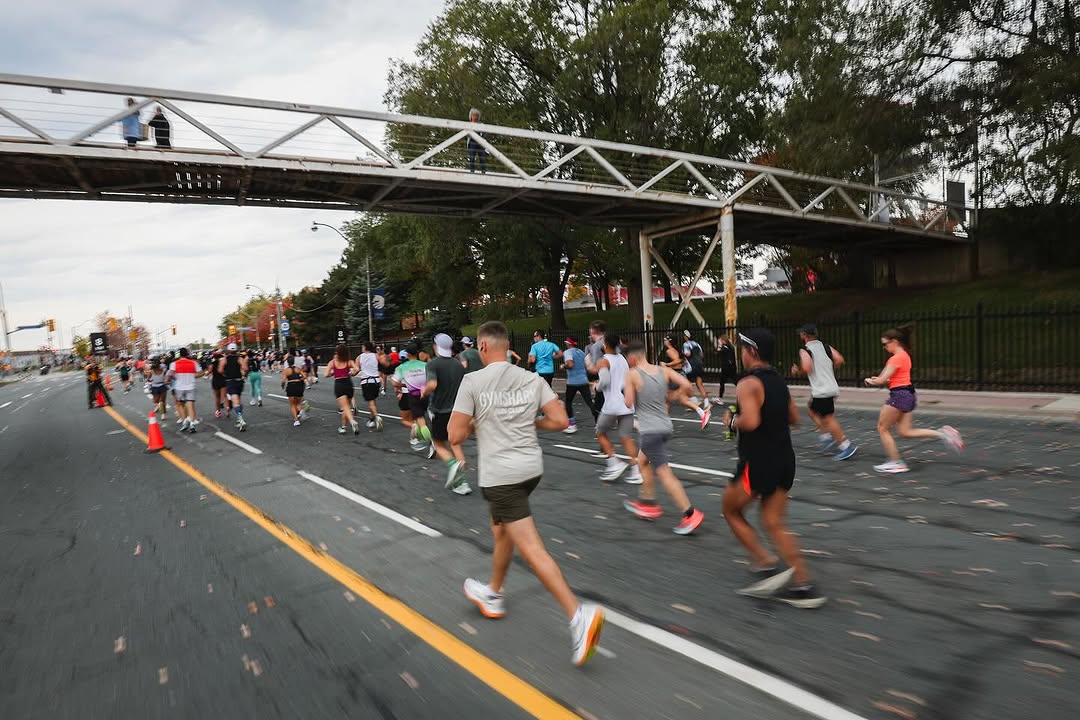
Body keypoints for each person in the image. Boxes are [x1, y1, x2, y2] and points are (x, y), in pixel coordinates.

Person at [449, 321, 604, 667]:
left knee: (531, 547)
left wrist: (479, 421)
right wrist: (528, 422)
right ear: (507, 346)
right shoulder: (531, 379)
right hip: (530, 469)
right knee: (501, 529)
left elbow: (455, 435)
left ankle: (578, 615)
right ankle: (493, 592)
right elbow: (560, 421)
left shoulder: (473, 382)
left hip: (501, 476)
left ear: (483, 346)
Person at [721, 329, 825, 608]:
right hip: (784, 460)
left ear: (752, 351)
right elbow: (794, 418)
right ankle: (804, 584)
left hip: (758, 463)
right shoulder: (778, 381)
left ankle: (765, 559)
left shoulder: (748, 383)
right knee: (773, 521)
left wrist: (731, 421)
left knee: (730, 510)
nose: (741, 354)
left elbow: (750, 422)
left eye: (743, 349)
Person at [621, 341, 705, 535]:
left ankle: (690, 513)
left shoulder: (632, 374)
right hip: (665, 426)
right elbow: (687, 385)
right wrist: (673, 396)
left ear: (632, 358)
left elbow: (628, 403)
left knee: (664, 473)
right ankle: (648, 503)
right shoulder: (663, 370)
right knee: (643, 461)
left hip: (650, 430)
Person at [865, 325, 964, 473]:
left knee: (882, 428)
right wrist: (881, 380)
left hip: (899, 396)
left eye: (885, 344)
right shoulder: (905, 356)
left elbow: (881, 380)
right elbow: (895, 379)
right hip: (909, 394)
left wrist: (870, 380)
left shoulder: (895, 359)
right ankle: (944, 434)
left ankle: (896, 462)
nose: (884, 348)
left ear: (894, 341)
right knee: (905, 432)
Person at [791, 324, 857, 461]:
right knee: (811, 410)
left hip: (822, 390)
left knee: (828, 418)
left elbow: (807, 367)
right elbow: (839, 359)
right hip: (831, 387)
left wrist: (797, 371)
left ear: (804, 336)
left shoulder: (805, 350)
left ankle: (845, 446)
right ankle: (826, 436)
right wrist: (827, 369)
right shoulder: (826, 347)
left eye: (801, 334)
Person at [422, 333, 471, 495]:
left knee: (438, 444)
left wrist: (424, 392)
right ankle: (462, 483)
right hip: (457, 410)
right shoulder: (458, 364)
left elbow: (432, 384)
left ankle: (453, 465)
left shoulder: (433, 364)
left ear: (436, 346)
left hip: (440, 410)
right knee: (455, 444)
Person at [595, 332, 642, 483]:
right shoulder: (622, 359)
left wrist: (596, 387)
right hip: (627, 403)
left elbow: (604, 381)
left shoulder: (603, 361)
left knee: (600, 432)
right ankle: (636, 471)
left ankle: (614, 462)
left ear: (605, 344)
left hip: (612, 405)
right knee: (626, 437)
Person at [660, 335, 712, 430]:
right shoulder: (677, 350)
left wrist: (666, 364)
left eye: (665, 340)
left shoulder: (670, 351)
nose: (664, 341)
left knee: (666, 400)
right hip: (680, 375)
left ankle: (664, 424)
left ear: (669, 341)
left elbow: (678, 360)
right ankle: (702, 413)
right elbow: (682, 360)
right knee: (682, 400)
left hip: (675, 377)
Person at [393, 344, 432, 452]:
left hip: (413, 395)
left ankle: (431, 441)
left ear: (407, 354)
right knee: (421, 418)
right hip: (425, 394)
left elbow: (394, 382)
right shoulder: (425, 365)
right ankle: (419, 439)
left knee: (420, 421)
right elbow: (431, 379)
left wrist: (403, 385)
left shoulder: (402, 367)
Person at [560, 337, 594, 435]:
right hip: (583, 380)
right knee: (589, 402)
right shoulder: (581, 352)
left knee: (568, 402)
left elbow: (570, 364)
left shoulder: (568, 352)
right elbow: (586, 365)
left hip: (573, 381)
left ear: (568, 343)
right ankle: (599, 421)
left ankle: (571, 425)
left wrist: (563, 366)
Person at [325, 344, 360, 435]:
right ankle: (343, 427)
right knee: (346, 407)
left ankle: (352, 421)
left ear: (337, 353)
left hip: (339, 384)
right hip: (348, 383)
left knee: (345, 407)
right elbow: (357, 369)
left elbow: (326, 374)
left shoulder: (332, 362)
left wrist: (333, 373)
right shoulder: (349, 361)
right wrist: (352, 373)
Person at [168, 348, 202, 433]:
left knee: (181, 405)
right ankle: (192, 424)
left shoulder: (174, 364)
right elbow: (201, 373)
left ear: (179, 354)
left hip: (179, 387)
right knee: (190, 405)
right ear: (187, 354)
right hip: (190, 386)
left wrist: (175, 377)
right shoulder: (193, 363)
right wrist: (193, 376)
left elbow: (171, 374)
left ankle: (184, 421)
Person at [218, 343, 249, 431]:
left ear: (228, 350)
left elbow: (220, 370)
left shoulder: (224, 359)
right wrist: (245, 375)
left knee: (235, 400)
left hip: (230, 381)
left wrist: (225, 374)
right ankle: (239, 418)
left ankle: (240, 418)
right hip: (239, 381)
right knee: (237, 399)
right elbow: (246, 369)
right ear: (236, 350)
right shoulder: (239, 359)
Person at [681, 330, 714, 405]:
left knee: (686, 384)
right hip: (699, 365)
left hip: (691, 366)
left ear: (686, 337)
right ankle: (706, 403)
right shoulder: (697, 344)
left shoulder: (686, 344)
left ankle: (694, 401)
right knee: (699, 384)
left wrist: (683, 357)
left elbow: (687, 354)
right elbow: (701, 355)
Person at [357, 342, 385, 431]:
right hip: (376, 381)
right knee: (373, 400)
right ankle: (372, 419)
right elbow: (382, 365)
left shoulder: (359, 357)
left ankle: (376, 416)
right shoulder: (376, 356)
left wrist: (351, 373)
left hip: (366, 381)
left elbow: (356, 369)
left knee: (370, 401)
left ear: (365, 347)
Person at [281, 355, 307, 426]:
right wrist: (299, 379)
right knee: (298, 403)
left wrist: (282, 386)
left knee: (292, 404)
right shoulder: (298, 369)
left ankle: (296, 420)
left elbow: (283, 381)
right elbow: (305, 376)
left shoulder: (286, 371)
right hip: (299, 386)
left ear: (287, 362)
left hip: (291, 386)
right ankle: (301, 410)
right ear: (293, 362)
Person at [466, 107, 487, 173]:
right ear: (471, 116)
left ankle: (483, 171)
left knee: (482, 158)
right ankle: (472, 171)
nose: (475, 117)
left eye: (477, 116)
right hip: (472, 142)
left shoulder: (481, 125)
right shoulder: (468, 125)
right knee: (472, 157)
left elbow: (484, 134)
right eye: (474, 115)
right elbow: (466, 135)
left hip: (480, 143)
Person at [716, 334, 738, 399]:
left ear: (723, 341)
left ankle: (720, 396)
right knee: (733, 381)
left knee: (723, 382)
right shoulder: (730, 347)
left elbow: (718, 352)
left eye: (720, 341)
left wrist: (719, 346)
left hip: (727, 368)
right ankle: (720, 396)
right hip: (731, 367)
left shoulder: (725, 348)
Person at [209, 351, 228, 418]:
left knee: (217, 397)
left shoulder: (212, 364)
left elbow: (209, 371)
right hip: (222, 380)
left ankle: (218, 412)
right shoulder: (223, 363)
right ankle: (227, 410)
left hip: (215, 381)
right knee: (224, 397)